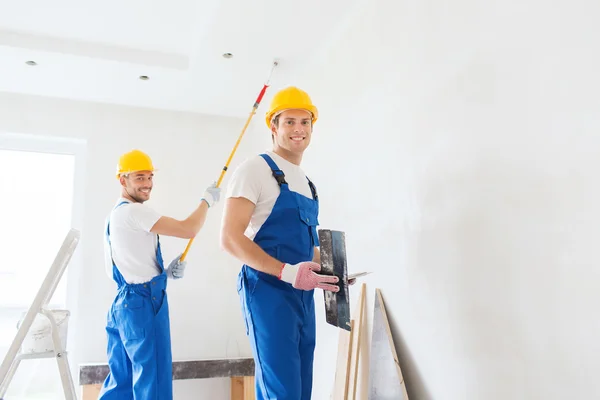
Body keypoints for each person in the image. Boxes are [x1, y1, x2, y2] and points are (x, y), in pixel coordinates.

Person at [221, 86, 349, 399]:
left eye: (305, 122)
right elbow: (229, 238)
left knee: (301, 389)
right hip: (268, 293)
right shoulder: (254, 169)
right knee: (282, 392)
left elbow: (306, 246)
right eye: (289, 121)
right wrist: (288, 273)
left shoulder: (307, 183)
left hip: (302, 296)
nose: (298, 129)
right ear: (273, 127)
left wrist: (331, 271)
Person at [99, 149, 220, 399]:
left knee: (120, 382)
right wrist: (206, 201)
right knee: (152, 381)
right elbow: (188, 229)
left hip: (123, 306)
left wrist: (164, 273)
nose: (147, 184)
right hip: (144, 304)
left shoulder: (114, 215)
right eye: (140, 177)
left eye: (150, 177)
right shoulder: (134, 211)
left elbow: (131, 264)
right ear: (123, 180)